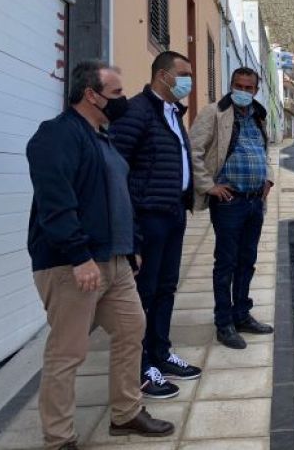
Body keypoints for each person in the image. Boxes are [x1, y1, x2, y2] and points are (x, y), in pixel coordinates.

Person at [26, 60, 173, 450]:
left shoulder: (102, 137)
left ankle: (126, 414)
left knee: (130, 331)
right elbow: (55, 203)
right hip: (73, 265)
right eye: (116, 94)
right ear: (91, 95)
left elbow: (117, 199)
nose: (123, 100)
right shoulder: (56, 136)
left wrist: (132, 245)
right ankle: (58, 439)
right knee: (67, 353)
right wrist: (78, 255)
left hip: (115, 260)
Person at [109, 51, 201, 399]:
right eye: (183, 74)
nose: (188, 81)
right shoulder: (137, 112)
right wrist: (130, 229)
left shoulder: (173, 113)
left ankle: (161, 353)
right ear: (162, 76)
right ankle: (141, 364)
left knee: (165, 287)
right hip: (148, 218)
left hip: (173, 213)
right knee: (143, 294)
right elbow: (118, 171)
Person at [189, 67, 275, 350]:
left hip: (254, 202)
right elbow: (194, 150)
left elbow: (265, 150)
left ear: (256, 89)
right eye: (239, 85)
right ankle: (223, 322)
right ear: (231, 85)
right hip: (229, 202)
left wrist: (268, 178)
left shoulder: (258, 115)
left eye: (249, 87)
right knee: (226, 262)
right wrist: (208, 186)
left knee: (246, 261)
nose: (243, 91)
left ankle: (242, 314)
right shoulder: (214, 113)